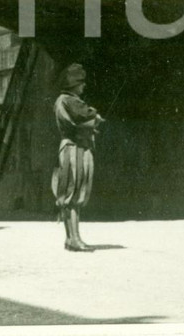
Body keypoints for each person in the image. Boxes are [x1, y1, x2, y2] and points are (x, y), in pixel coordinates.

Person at [52, 63, 104, 252]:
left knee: (68, 194)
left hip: (69, 148)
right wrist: (95, 118)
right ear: (73, 84)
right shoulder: (70, 100)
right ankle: (75, 238)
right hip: (76, 149)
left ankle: (70, 238)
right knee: (75, 194)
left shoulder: (61, 101)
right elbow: (84, 117)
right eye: (81, 83)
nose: (84, 86)